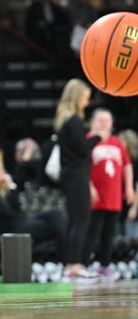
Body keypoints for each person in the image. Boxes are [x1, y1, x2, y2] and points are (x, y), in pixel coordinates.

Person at [54, 79, 98, 279]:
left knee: (75, 221)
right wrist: (97, 137)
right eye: (85, 98)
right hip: (76, 176)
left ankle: (71, 264)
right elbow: (82, 149)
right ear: (76, 97)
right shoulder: (73, 121)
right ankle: (74, 264)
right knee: (80, 220)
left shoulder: (66, 120)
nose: (87, 103)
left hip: (72, 176)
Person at [83, 109, 135, 276]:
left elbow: (127, 165)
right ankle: (84, 264)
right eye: (100, 120)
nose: (104, 123)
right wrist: (89, 187)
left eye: (107, 120)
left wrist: (129, 187)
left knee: (109, 233)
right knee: (92, 231)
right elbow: (82, 167)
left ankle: (104, 265)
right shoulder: (88, 141)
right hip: (95, 196)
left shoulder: (117, 143)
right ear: (92, 121)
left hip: (114, 196)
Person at [0, 159, 66, 251]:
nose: (4, 172)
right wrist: (9, 189)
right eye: (0, 170)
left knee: (55, 214)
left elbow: (17, 208)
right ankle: (68, 259)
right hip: (13, 229)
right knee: (55, 225)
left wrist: (11, 186)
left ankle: (69, 259)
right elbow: (9, 212)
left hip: (20, 223)